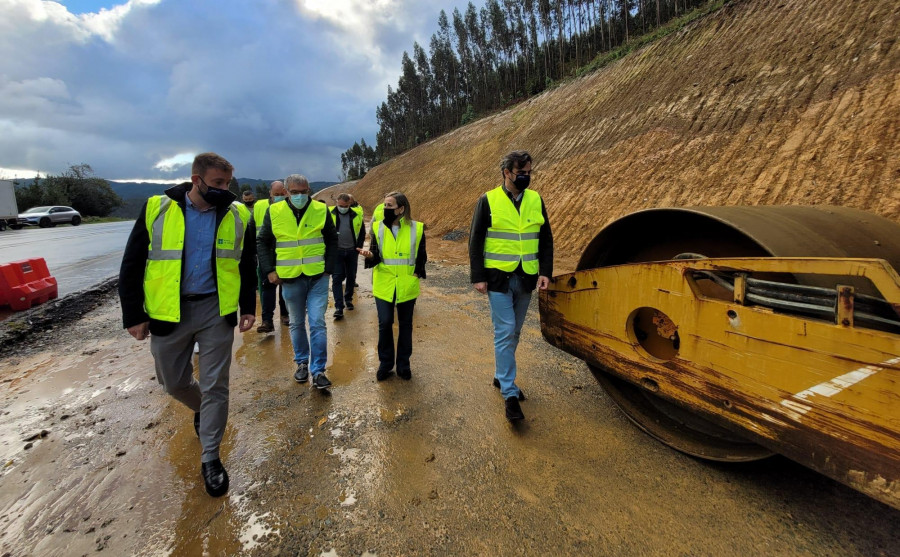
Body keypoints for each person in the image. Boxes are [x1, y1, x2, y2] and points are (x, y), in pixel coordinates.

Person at [119, 152, 256, 497]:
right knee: (173, 382)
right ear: (197, 180)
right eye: (217, 184)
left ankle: (211, 457)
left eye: (228, 184)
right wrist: (134, 314)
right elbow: (132, 262)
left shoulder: (238, 214)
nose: (226, 190)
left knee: (216, 386)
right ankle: (201, 409)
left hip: (215, 310)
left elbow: (245, 262)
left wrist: (248, 307)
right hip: (170, 312)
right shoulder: (158, 209)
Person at [468, 150, 553, 421]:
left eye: (529, 171)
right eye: (521, 172)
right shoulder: (488, 200)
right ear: (507, 172)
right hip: (498, 279)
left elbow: (545, 239)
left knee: (514, 332)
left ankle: (500, 375)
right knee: (505, 330)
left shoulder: (536, 199)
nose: (526, 176)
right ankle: (509, 393)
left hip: (526, 277)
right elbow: (475, 241)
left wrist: (545, 272)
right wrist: (477, 276)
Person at [257, 174, 337, 390]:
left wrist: (329, 268)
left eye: (303, 192)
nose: (300, 196)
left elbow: (331, 239)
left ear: (309, 190)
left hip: (317, 276)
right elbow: (263, 242)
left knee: (318, 322)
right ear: (286, 192)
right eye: (295, 192)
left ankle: (318, 369)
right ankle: (302, 362)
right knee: (296, 322)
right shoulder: (274, 211)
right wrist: (269, 271)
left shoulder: (321, 210)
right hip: (290, 278)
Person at [358, 192, 426, 381]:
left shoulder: (417, 228)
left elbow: (421, 257)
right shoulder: (378, 228)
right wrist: (370, 256)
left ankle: (404, 364)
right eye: (385, 205)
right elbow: (375, 255)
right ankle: (386, 364)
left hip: (406, 284)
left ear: (401, 209)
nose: (385, 209)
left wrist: (416, 273)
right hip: (384, 283)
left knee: (406, 325)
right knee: (385, 322)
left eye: (389, 205)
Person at [255, 181, 289, 332]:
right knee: (267, 288)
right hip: (266, 254)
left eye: (282, 194)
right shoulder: (260, 206)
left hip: (285, 255)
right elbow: (252, 232)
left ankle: (285, 315)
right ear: (270, 193)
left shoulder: (290, 208)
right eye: (276, 195)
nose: (280, 197)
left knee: (285, 288)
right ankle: (267, 321)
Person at [329, 193, 365, 320]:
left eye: (345, 206)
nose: (342, 208)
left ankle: (348, 299)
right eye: (340, 205)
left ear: (349, 204)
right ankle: (339, 307)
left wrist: (358, 247)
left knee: (351, 276)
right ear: (336, 203)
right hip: (337, 252)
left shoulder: (356, 214)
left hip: (351, 251)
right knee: (337, 278)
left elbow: (362, 232)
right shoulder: (329, 213)